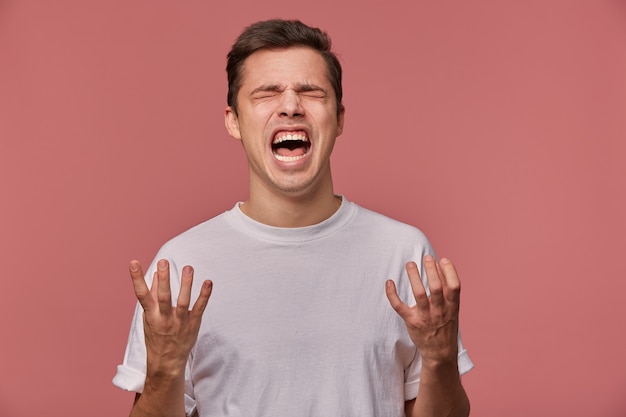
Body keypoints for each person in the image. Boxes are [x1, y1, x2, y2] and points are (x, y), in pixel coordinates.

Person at [113, 19, 473, 417]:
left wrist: (440, 359)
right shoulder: (182, 266)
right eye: (267, 93)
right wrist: (163, 369)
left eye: (310, 92)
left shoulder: (404, 252)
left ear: (339, 118)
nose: (289, 105)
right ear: (233, 120)